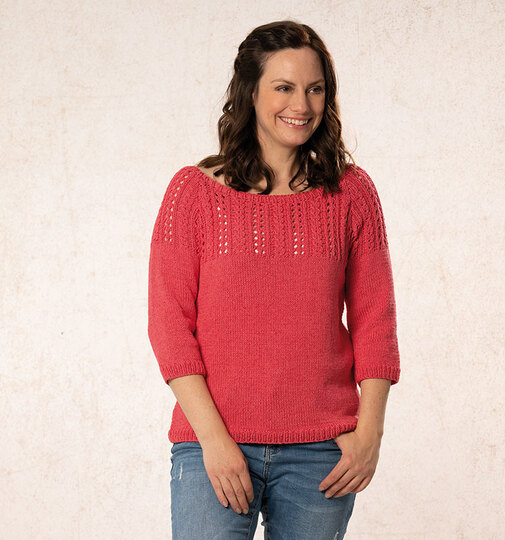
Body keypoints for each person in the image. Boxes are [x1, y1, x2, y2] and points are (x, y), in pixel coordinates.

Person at [147, 19, 401, 540]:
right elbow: (170, 326)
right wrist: (214, 441)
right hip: (213, 443)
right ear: (250, 92)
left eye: (315, 89)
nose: (301, 105)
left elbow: (376, 319)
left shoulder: (351, 194)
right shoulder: (192, 194)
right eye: (284, 87)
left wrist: (370, 432)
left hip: (322, 454)